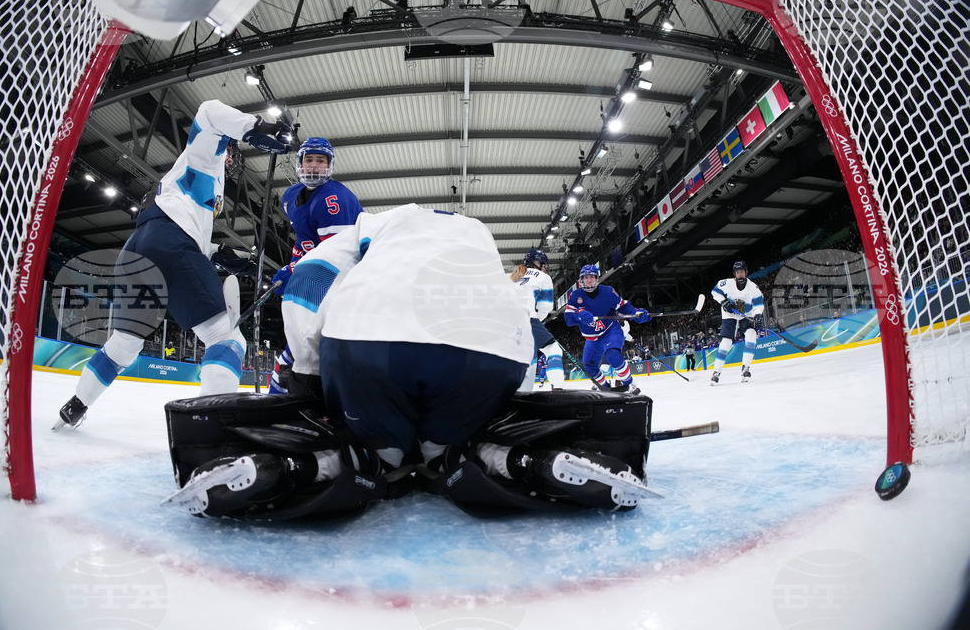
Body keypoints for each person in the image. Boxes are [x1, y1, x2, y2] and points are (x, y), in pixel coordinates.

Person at [162, 206, 657, 519]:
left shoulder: (369, 226)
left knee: (377, 458)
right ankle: (534, 461)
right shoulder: (477, 235)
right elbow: (518, 329)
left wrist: (309, 376)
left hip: (372, 337)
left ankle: (284, 467)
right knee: (455, 450)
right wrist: (511, 406)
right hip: (490, 348)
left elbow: (306, 284)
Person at [53, 100, 292, 430]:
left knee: (124, 345)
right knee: (226, 340)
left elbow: (188, 233)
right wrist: (256, 127)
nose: (232, 157)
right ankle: (214, 428)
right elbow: (208, 111)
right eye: (233, 151)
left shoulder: (191, 186)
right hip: (168, 243)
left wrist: (229, 259)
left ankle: (76, 406)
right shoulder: (205, 159)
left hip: (138, 250)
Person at [267, 137, 363, 394]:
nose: (314, 165)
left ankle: (296, 395)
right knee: (300, 341)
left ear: (330, 166)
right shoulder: (290, 196)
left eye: (321, 161)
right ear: (299, 163)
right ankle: (286, 395)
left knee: (312, 342)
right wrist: (294, 264)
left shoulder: (335, 200)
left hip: (345, 280)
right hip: (316, 275)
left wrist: (295, 272)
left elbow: (335, 257)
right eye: (309, 159)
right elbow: (305, 242)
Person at [563, 264, 650, 392]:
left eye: (591, 277)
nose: (588, 280)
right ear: (581, 280)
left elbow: (623, 307)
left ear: (597, 278)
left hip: (610, 330)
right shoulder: (575, 296)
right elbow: (568, 319)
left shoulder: (608, 292)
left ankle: (631, 384)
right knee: (589, 366)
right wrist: (578, 314)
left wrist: (636, 314)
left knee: (613, 356)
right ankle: (605, 387)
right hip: (591, 338)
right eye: (585, 277)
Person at [509, 248, 565, 390]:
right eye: (542, 263)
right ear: (534, 262)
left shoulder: (514, 274)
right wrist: (537, 320)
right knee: (553, 350)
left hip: (503, 321)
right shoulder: (543, 277)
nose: (544, 267)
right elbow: (545, 307)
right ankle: (557, 388)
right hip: (526, 318)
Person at [710, 260, 764, 385]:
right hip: (730, 314)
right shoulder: (727, 284)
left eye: (742, 272)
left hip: (746, 314)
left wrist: (758, 315)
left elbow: (758, 304)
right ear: (735, 274)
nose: (740, 274)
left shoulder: (753, 287)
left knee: (751, 335)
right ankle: (716, 372)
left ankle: (746, 368)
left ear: (746, 273)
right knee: (726, 342)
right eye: (737, 272)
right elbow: (715, 292)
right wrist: (723, 302)